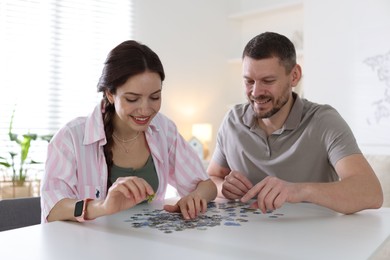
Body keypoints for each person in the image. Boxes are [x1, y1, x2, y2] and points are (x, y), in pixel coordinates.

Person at [40, 40, 217, 223]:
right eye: (132, 99)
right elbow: (53, 208)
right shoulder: (71, 137)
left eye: (155, 97)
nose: (145, 110)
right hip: (87, 246)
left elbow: (207, 185)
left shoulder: (163, 129)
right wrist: (102, 206)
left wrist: (195, 198)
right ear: (110, 94)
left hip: (147, 243)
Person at [207, 32, 383, 214]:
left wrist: (298, 190)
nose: (256, 92)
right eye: (249, 81)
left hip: (313, 237)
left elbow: (371, 192)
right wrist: (223, 189)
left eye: (268, 81)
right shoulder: (232, 121)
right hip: (245, 236)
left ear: (294, 76)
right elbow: (212, 177)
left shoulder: (324, 121)